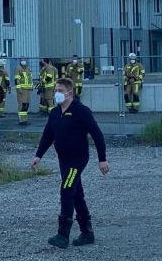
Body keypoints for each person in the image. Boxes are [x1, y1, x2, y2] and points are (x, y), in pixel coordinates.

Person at [31, 78, 109, 249]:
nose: (56, 93)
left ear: (69, 92)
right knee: (76, 193)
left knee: (66, 189)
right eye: (55, 90)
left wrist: (102, 159)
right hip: (63, 160)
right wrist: (38, 155)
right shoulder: (54, 112)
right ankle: (87, 233)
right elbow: (48, 135)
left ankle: (63, 234)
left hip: (77, 160)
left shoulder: (81, 111)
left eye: (60, 90)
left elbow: (97, 135)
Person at [13, 57, 33, 125]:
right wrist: (19, 89)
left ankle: (25, 119)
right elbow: (16, 80)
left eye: (24, 60)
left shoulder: (27, 69)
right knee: (22, 105)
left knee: (26, 105)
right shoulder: (18, 69)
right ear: (19, 61)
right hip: (22, 90)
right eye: (22, 60)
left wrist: (31, 86)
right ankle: (22, 120)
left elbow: (30, 79)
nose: (23, 61)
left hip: (27, 90)